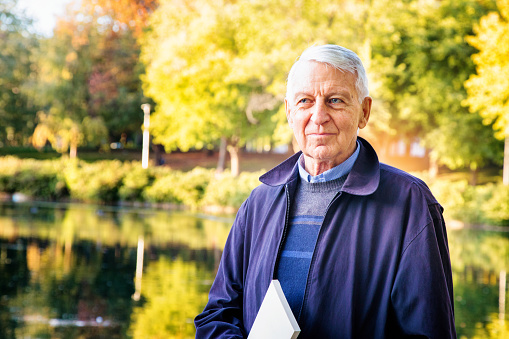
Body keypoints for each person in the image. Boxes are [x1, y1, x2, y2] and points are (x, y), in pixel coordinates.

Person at [195, 44, 456, 338]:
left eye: (335, 100)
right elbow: (217, 314)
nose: (318, 116)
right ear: (289, 112)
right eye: (305, 101)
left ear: (364, 112)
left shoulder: (410, 204)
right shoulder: (259, 202)